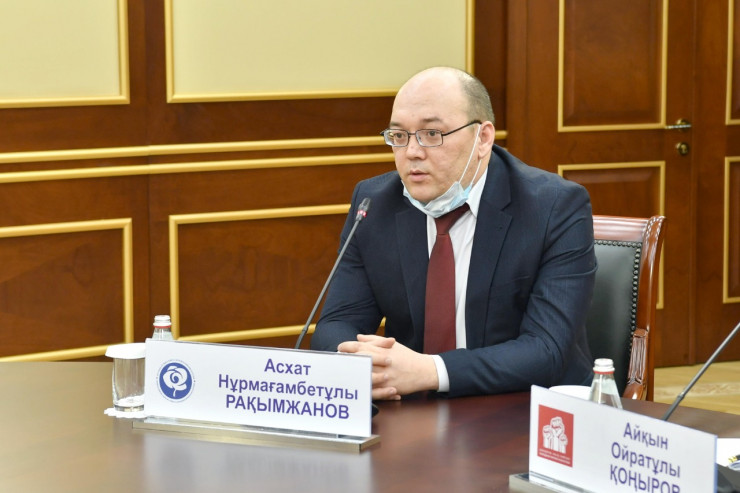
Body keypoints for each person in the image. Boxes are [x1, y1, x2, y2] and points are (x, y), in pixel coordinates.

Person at [310, 66, 596, 400]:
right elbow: (336, 325)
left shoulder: (553, 207)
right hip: (411, 407)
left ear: (482, 138)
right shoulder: (374, 204)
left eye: (432, 134)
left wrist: (429, 371)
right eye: (399, 136)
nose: (412, 152)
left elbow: (546, 350)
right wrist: (366, 364)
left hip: (525, 407)